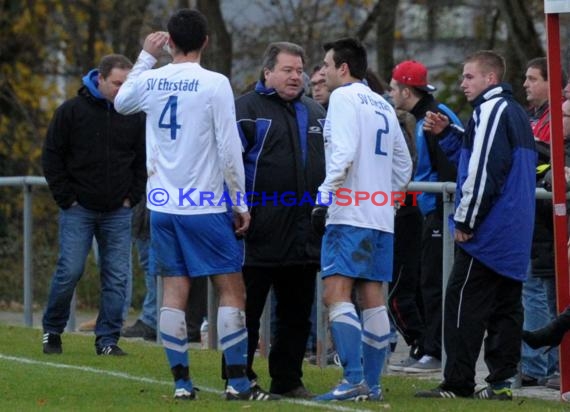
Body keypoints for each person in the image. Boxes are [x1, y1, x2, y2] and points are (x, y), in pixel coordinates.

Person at [114, 9, 275, 401]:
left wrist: (145, 57)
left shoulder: (151, 79)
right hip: (203, 204)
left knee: (174, 290)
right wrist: (240, 203)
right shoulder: (214, 84)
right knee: (232, 290)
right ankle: (237, 383)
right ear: (206, 41)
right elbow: (229, 148)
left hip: (164, 207)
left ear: (169, 42)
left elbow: (120, 102)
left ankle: (183, 384)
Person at [415, 50, 536, 400]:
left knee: (461, 304)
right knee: (505, 310)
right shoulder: (513, 112)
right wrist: (450, 134)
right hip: (514, 231)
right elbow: (479, 156)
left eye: (470, 77)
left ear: (490, 79)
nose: (463, 83)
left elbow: (484, 172)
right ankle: (500, 384)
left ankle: (457, 383)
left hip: (489, 232)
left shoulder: (492, 110)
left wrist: (466, 219)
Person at [220, 41, 326, 399]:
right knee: (247, 309)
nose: (296, 76)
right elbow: (228, 164)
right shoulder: (245, 109)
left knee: (297, 314)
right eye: (288, 70)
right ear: (268, 72)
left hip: (303, 231)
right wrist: (235, 208)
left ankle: (288, 379)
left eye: (300, 70)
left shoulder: (316, 112)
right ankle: (239, 375)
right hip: (257, 231)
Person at [312, 37, 413, 402]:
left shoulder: (343, 97)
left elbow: (344, 151)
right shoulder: (383, 103)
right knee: (372, 298)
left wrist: (325, 195)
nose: (321, 72)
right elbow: (404, 164)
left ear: (343, 68)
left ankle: (352, 378)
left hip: (350, 212)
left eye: (326, 65)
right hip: (380, 216)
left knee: (335, 294)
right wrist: (387, 199)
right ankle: (372, 384)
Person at [41, 54, 146, 356]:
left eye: (127, 84)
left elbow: (142, 159)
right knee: (70, 271)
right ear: (99, 78)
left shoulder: (134, 115)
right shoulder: (71, 112)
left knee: (117, 277)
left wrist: (131, 197)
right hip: (79, 209)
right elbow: (52, 157)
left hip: (118, 210)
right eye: (117, 83)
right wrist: (67, 199)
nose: (122, 90)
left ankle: (107, 340)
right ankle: (52, 330)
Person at [388, 60, 463, 373]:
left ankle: (434, 351)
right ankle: (426, 349)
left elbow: (449, 166)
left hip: (440, 212)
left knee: (433, 284)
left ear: (407, 91)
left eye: (393, 89)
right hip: (429, 211)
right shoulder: (419, 118)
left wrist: (445, 207)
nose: (390, 94)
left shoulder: (433, 118)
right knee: (423, 283)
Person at [520, 57, 565, 387]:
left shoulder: (548, 124)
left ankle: (542, 364)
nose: (525, 84)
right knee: (543, 292)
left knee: (543, 292)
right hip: (540, 226)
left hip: (549, 226)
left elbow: (542, 163)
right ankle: (544, 361)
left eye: (532, 78)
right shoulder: (535, 119)